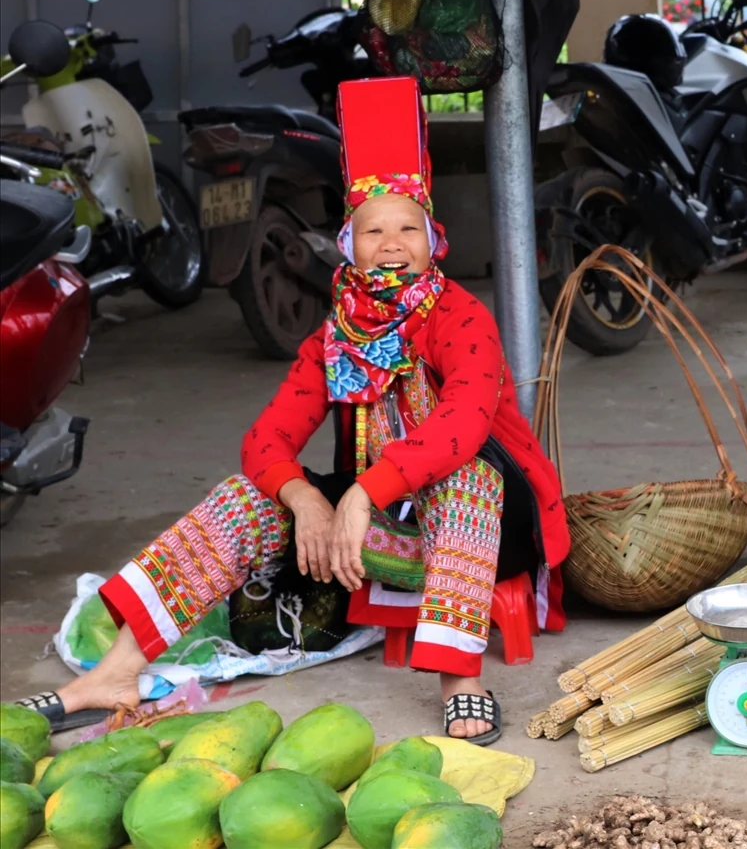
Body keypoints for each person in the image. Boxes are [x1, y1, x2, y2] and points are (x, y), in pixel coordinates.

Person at [14, 76, 570, 745]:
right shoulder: (337, 336)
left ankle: (460, 678)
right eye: (373, 229)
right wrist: (305, 498)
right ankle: (114, 673)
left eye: (408, 227)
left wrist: (365, 490)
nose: (392, 243)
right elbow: (266, 439)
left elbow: (464, 423)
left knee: (465, 474)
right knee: (247, 496)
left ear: (433, 240)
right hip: (384, 527)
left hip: (489, 528)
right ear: (348, 244)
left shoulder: (461, 316)